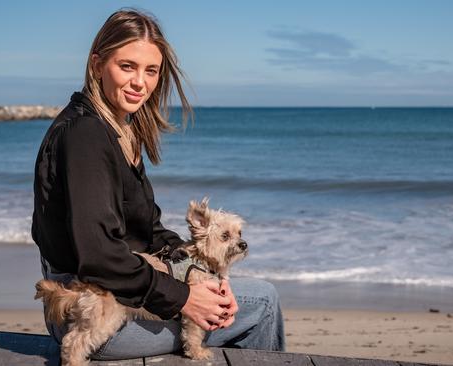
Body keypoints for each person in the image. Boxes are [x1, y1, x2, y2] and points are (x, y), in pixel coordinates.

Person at [31, 8, 284, 361]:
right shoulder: (86, 136)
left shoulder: (120, 131)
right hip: (95, 316)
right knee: (264, 301)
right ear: (97, 64)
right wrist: (184, 298)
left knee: (228, 299)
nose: (140, 82)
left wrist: (201, 275)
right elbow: (99, 256)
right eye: (127, 66)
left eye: (151, 70)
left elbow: (150, 231)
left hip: (121, 293)